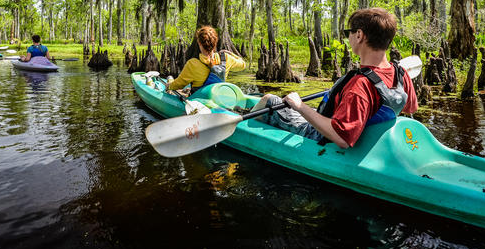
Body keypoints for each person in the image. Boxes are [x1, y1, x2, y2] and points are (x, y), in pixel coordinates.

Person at [258, 8, 417, 149]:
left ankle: (243, 130)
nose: (349, 36)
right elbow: (411, 108)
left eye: (349, 32)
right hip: (364, 135)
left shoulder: (360, 85)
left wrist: (299, 106)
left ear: (359, 35)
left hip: (324, 138)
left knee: (270, 100)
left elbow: (342, 139)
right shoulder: (400, 73)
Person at [167, 26, 246, 95]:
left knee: (170, 79)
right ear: (215, 42)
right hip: (217, 99)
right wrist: (230, 53)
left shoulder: (192, 64)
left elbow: (178, 85)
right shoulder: (226, 58)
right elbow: (243, 65)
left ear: (199, 43)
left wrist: (169, 85)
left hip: (200, 102)